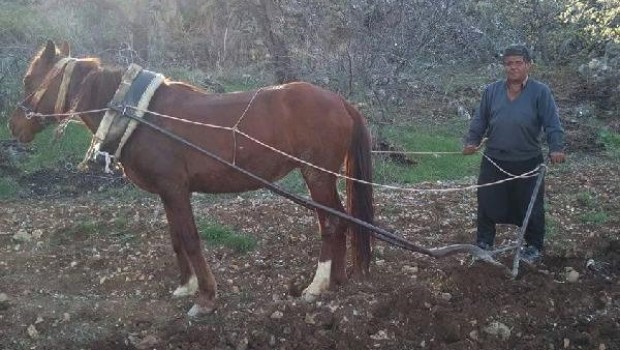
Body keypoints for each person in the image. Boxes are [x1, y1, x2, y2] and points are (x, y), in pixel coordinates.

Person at [463, 44, 566, 263]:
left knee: (531, 205)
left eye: (518, 62)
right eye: (509, 63)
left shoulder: (541, 92)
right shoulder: (491, 91)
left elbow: (552, 124)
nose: (513, 67)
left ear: (528, 65)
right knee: (487, 201)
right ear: (504, 66)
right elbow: (480, 119)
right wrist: (472, 141)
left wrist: (556, 147)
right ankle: (484, 243)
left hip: (528, 161)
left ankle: (533, 247)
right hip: (494, 159)